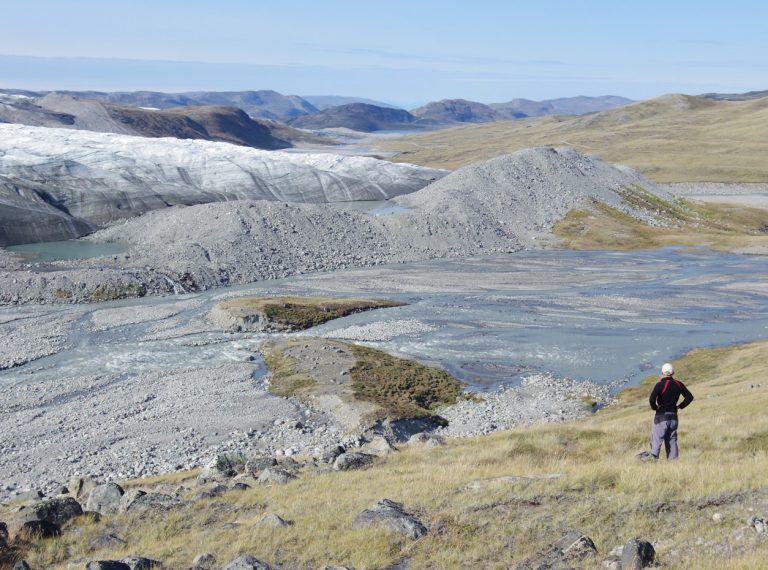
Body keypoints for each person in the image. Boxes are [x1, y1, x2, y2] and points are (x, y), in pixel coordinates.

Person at [648, 363, 694, 460]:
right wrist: (680, 406)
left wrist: (655, 408)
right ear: (673, 372)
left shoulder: (659, 385)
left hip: (661, 416)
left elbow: (652, 399)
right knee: (672, 441)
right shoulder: (679, 384)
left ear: (662, 372)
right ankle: (673, 464)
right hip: (673, 417)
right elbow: (689, 397)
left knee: (656, 441)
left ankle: (653, 462)